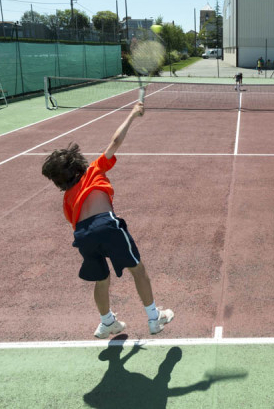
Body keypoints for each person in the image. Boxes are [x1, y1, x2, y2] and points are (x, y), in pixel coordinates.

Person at [41, 101, 174, 339]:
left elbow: (77, 224)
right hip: (107, 225)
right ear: (77, 164)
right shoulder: (93, 170)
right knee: (138, 270)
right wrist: (133, 114)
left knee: (101, 279)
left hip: (82, 235)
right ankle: (155, 318)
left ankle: (107, 323)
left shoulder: (67, 199)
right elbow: (115, 142)